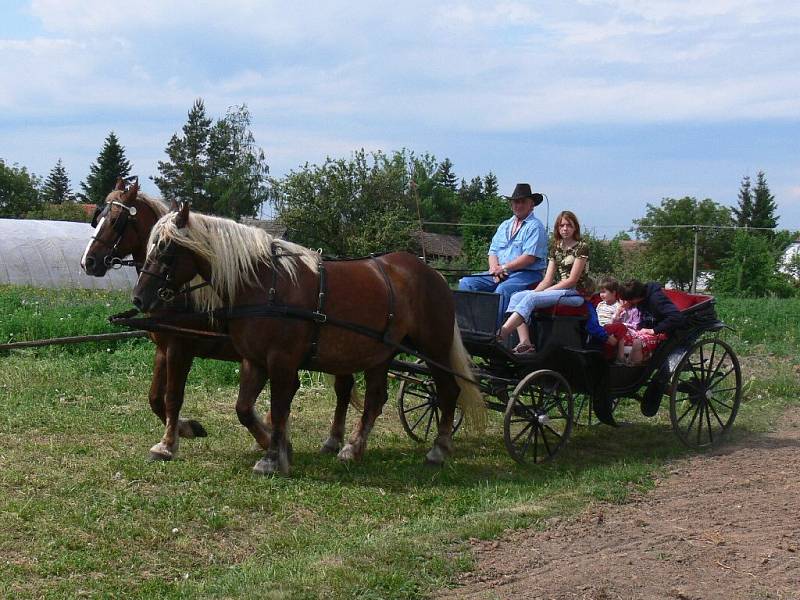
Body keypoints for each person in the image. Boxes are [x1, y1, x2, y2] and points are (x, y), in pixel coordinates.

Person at [497, 210, 591, 353]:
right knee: (517, 296)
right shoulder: (556, 248)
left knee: (531, 298)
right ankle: (525, 343)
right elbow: (547, 279)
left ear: (575, 228)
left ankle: (501, 333)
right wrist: (536, 292)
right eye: (561, 226)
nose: (565, 229)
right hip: (560, 291)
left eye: (569, 225)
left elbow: (572, 280)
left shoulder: (581, 247)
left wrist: (541, 294)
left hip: (575, 294)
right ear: (557, 229)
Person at [458, 183, 547, 322]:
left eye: (523, 201)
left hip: (527, 274)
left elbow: (529, 258)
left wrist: (504, 268)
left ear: (531, 205)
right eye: (516, 202)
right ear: (512, 205)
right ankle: (468, 325)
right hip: (500, 271)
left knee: (503, 290)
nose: (518, 205)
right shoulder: (505, 225)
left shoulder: (535, 226)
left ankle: (495, 332)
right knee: (466, 283)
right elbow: (493, 251)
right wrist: (494, 269)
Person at [616, 279, 687, 363]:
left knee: (637, 343)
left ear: (635, 298)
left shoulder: (656, 299)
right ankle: (622, 361)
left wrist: (653, 330)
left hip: (663, 331)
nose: (624, 302)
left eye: (627, 300)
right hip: (646, 328)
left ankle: (633, 369)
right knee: (619, 333)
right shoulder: (640, 297)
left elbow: (677, 317)